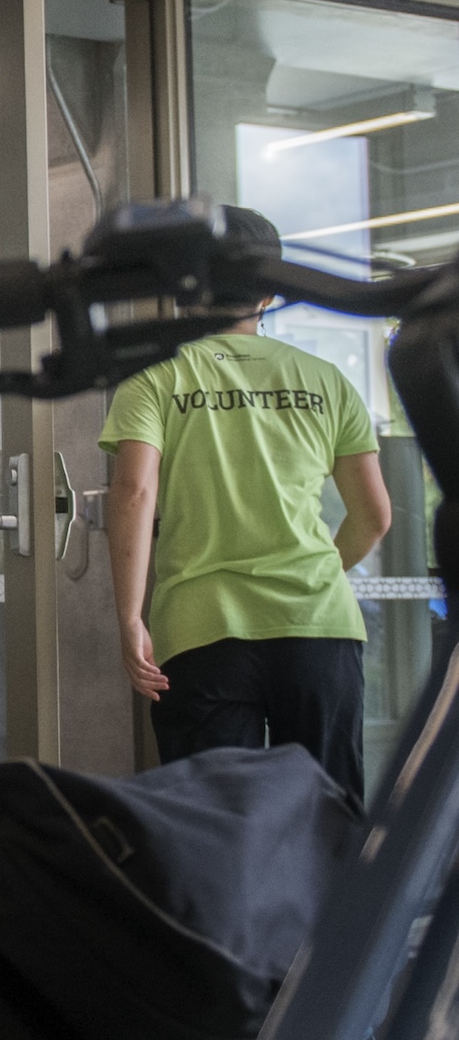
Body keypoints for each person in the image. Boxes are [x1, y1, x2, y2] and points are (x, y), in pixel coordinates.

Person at [100, 206, 391, 805]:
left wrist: (131, 615)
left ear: (183, 288)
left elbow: (133, 493)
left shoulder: (154, 374)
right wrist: (315, 573)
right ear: (270, 291)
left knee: (213, 825)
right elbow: (374, 518)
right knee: (327, 817)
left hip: (201, 629)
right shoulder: (326, 378)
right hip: (317, 624)